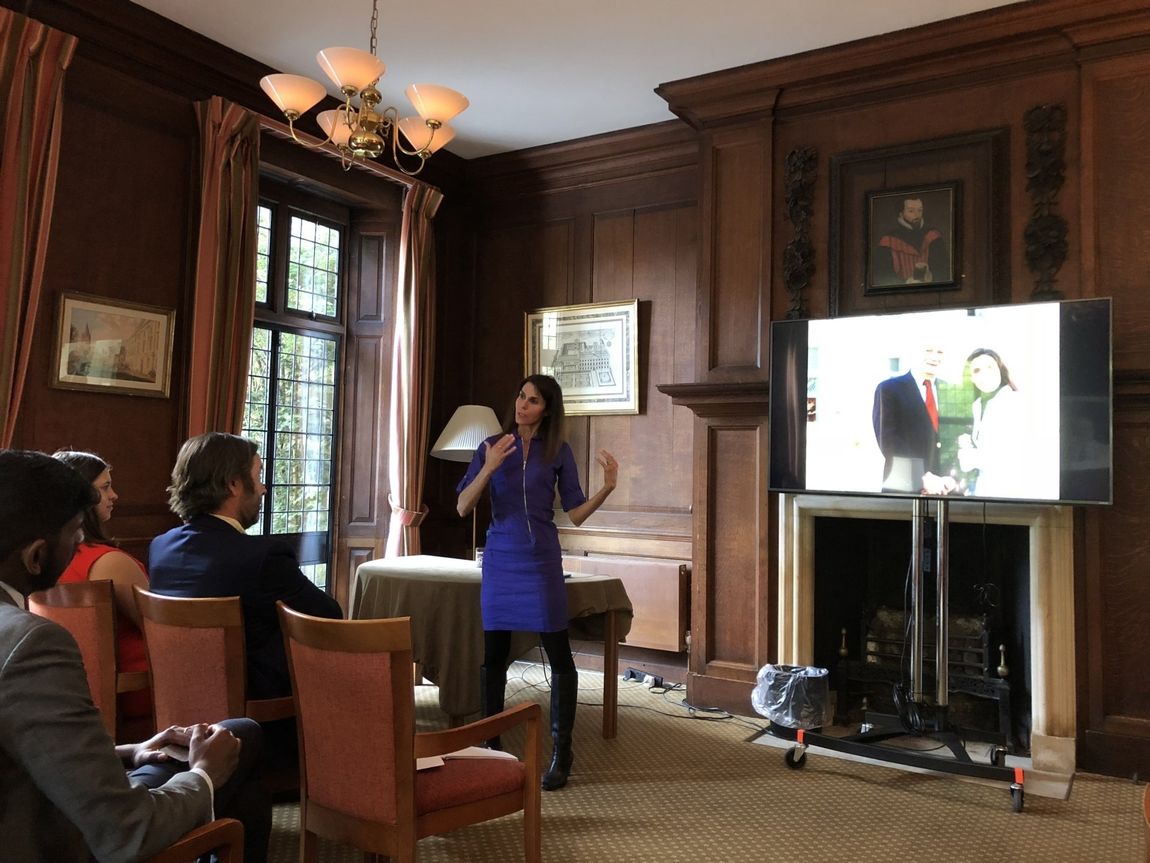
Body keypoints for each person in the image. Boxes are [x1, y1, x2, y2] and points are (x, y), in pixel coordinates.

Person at [0, 449, 270, 862]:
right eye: (74, 531)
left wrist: (130, 750)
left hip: (50, 793)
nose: (79, 542)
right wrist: (204, 775)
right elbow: (127, 830)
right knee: (237, 738)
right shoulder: (32, 643)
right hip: (60, 836)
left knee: (230, 740)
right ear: (35, 555)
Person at [456, 375, 618, 792]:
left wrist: (608, 488)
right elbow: (461, 505)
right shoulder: (490, 446)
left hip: (542, 559)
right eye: (520, 395)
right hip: (501, 560)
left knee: (560, 657)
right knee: (493, 657)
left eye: (532, 400)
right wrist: (489, 467)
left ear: (547, 409)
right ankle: (491, 747)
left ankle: (562, 752)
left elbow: (576, 513)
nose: (522, 404)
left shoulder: (558, 451)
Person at [148, 432, 343, 700]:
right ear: (234, 484)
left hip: (182, 699)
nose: (264, 488)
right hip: (259, 716)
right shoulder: (263, 557)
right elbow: (329, 618)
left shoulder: (161, 547)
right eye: (259, 475)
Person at [52, 449, 151, 736]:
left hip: (74, 690)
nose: (114, 495)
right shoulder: (108, 562)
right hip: (134, 689)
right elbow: (159, 628)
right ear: (81, 498)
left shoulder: (44, 562)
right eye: (105, 487)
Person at [872, 345, 958, 495]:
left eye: (940, 352)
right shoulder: (889, 389)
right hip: (905, 490)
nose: (934, 357)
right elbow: (889, 444)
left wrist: (951, 479)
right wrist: (923, 478)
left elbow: (955, 440)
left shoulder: (950, 390)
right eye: (929, 350)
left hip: (945, 492)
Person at [956, 348, 1024, 497]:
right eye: (977, 370)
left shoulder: (1015, 402)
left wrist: (971, 456)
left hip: (1011, 491)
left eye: (990, 367)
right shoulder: (978, 405)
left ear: (1000, 370)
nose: (984, 374)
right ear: (971, 378)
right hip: (985, 491)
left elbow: (1012, 456)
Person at [872, 196, 951, 287]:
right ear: (901, 214)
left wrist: (932, 278)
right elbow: (882, 275)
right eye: (911, 211)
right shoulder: (888, 240)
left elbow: (944, 270)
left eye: (919, 210)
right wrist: (905, 283)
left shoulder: (934, 236)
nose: (917, 215)